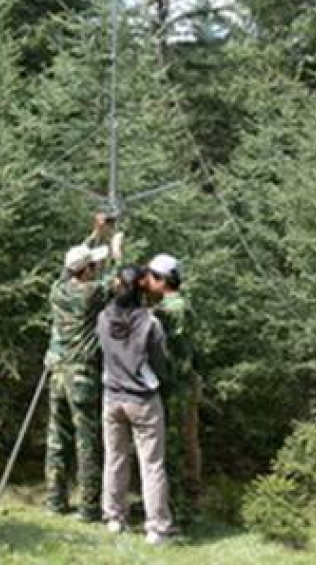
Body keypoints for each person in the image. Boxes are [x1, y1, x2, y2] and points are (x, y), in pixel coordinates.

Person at [45, 214, 122, 522]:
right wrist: (116, 252)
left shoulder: (57, 290)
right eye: (94, 265)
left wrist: (95, 234)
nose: (96, 268)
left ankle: (55, 501)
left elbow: (69, 268)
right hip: (81, 377)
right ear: (87, 270)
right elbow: (117, 283)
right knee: (86, 442)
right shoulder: (90, 294)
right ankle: (89, 508)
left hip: (57, 375)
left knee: (56, 439)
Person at [97, 264, 176, 545]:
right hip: (142, 399)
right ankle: (156, 528)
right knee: (152, 464)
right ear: (142, 288)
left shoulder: (103, 317)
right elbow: (161, 364)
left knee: (114, 459)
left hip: (112, 397)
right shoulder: (150, 323)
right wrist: (166, 383)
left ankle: (114, 518)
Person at [141, 253, 202, 523]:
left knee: (176, 446)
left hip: (177, 388)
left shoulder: (172, 309)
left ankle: (179, 508)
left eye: (150, 277)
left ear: (162, 280)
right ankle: (184, 504)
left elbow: (173, 354)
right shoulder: (174, 305)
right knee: (184, 444)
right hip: (181, 386)